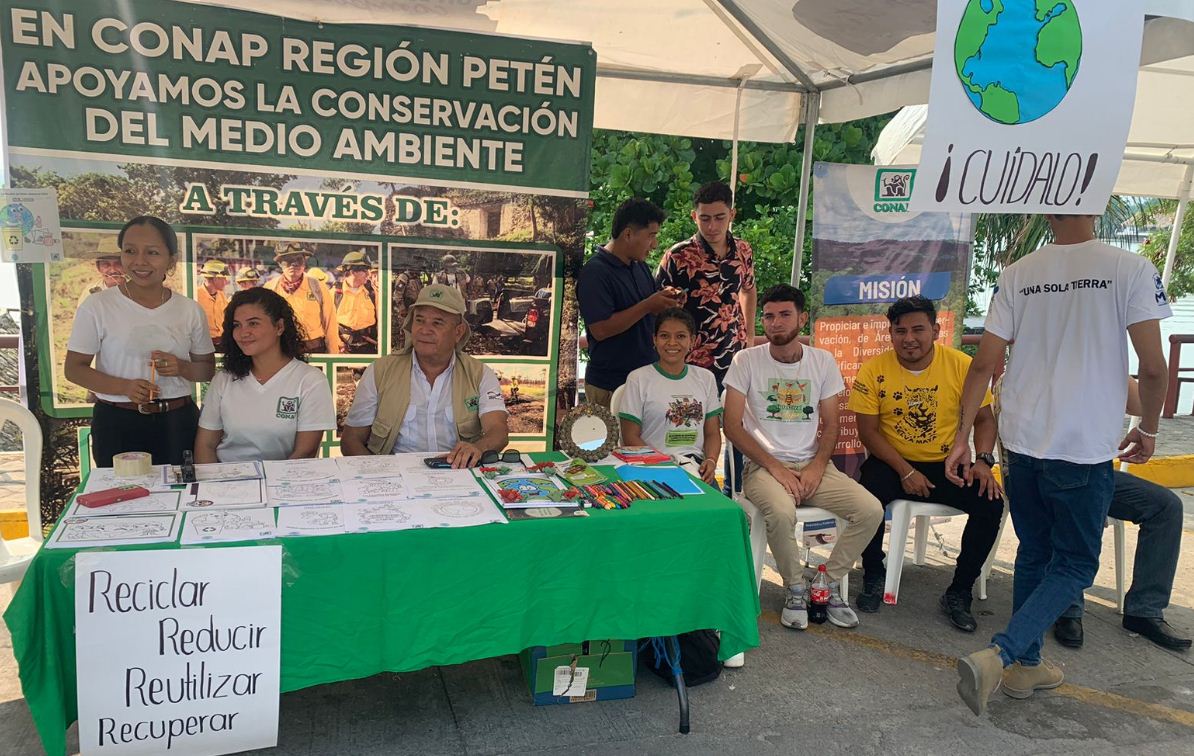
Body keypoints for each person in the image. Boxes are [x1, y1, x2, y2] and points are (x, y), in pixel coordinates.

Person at [947, 214, 1171, 715]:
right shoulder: (1130, 268)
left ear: (1048, 211)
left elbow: (984, 364)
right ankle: (1002, 654)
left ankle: (1027, 666)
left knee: (1035, 551)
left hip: (1021, 442)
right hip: (1082, 445)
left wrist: (962, 438)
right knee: (1075, 563)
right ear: (1096, 206)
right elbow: (1154, 368)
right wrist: (1150, 428)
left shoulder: (1018, 272)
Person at [723, 284, 884, 631]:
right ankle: (795, 588)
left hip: (814, 465)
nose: (776, 323)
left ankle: (825, 585)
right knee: (782, 513)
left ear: (802, 318)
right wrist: (776, 468)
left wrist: (817, 466)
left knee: (871, 510)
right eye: (769, 316)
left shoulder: (821, 361)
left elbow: (832, 424)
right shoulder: (746, 360)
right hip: (763, 467)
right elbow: (732, 426)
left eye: (785, 314)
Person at [849, 296, 1004, 632]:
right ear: (890, 334)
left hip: (948, 461)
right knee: (867, 497)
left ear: (935, 330)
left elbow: (985, 420)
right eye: (900, 331)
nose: (909, 338)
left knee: (990, 503)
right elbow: (868, 433)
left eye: (918, 329)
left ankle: (959, 590)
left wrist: (983, 460)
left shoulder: (962, 365)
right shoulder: (874, 370)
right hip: (892, 461)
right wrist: (905, 470)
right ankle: (873, 572)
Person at [64, 215, 216, 467]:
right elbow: (74, 369)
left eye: (152, 252)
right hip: (117, 424)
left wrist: (182, 367)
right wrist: (124, 387)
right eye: (130, 251)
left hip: (177, 423)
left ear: (171, 260)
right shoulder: (98, 306)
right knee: (125, 490)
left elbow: (206, 369)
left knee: (181, 489)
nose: (140, 261)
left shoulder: (189, 310)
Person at [1053, 378, 1190, 651]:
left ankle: (1144, 610)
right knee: (1083, 504)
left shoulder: (1101, 368)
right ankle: (1067, 607)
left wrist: (1147, 425)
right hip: (1048, 473)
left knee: (1167, 507)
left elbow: (1143, 401)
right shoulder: (1040, 369)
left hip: (1098, 475)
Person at [341, 284, 508, 467]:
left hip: (458, 471)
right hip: (395, 474)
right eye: (419, 320)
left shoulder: (479, 374)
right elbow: (351, 440)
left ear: (458, 332)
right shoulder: (380, 371)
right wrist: (379, 473)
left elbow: (498, 431)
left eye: (437, 323)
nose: (425, 330)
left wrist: (477, 448)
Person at [194, 288, 335, 463]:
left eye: (253, 323)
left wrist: (270, 480)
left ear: (279, 327)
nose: (243, 333)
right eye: (237, 325)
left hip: (285, 477)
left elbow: (305, 452)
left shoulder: (310, 380)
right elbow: (205, 445)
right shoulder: (223, 379)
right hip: (228, 477)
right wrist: (215, 479)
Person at [576, 197, 680, 408]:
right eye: (651, 236)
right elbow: (600, 329)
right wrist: (647, 305)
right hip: (610, 385)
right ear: (628, 234)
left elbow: (648, 312)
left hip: (646, 379)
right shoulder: (595, 272)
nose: (654, 244)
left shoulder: (639, 266)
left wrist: (665, 301)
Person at [656, 180, 757, 388]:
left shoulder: (743, 250)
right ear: (694, 217)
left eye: (720, 218)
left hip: (733, 354)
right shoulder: (677, 256)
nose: (712, 226)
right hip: (690, 358)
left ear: (732, 214)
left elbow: (749, 289)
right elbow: (657, 306)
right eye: (705, 218)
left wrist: (750, 334)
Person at [618, 308, 722, 484]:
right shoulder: (638, 379)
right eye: (664, 336)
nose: (672, 343)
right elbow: (630, 437)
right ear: (654, 340)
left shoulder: (706, 378)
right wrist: (664, 465)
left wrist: (711, 460)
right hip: (652, 468)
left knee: (717, 503)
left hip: (695, 468)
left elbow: (712, 432)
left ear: (692, 341)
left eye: (680, 336)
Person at [263, 243, 340, 354]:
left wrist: (333, 355)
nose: (294, 264)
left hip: (314, 350)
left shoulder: (317, 287)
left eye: (299, 260)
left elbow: (330, 322)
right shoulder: (270, 288)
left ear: (304, 262)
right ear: (280, 263)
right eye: (288, 260)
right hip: (282, 350)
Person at [336, 250, 378, 354]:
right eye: (365, 270)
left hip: (369, 347)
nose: (368, 274)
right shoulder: (334, 293)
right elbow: (328, 324)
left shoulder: (372, 293)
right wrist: (338, 344)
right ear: (353, 271)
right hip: (343, 349)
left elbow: (381, 321)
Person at [76, 235, 125, 307]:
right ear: (98, 267)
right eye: (106, 264)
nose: (112, 270)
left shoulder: (137, 290)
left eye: (118, 264)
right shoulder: (89, 292)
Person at [196, 259, 230, 343]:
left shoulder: (222, 295)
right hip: (204, 342)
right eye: (223, 278)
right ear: (215, 279)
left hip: (222, 341)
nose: (226, 281)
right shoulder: (196, 296)